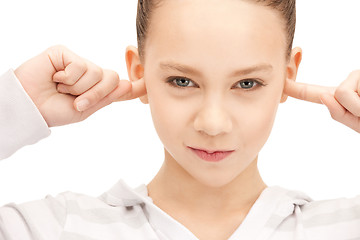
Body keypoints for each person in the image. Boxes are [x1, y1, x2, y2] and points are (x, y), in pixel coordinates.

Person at [0, 0, 359, 240]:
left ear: (288, 75)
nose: (213, 123)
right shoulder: (53, 229)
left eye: (247, 83)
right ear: (138, 71)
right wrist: (13, 107)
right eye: (182, 81)